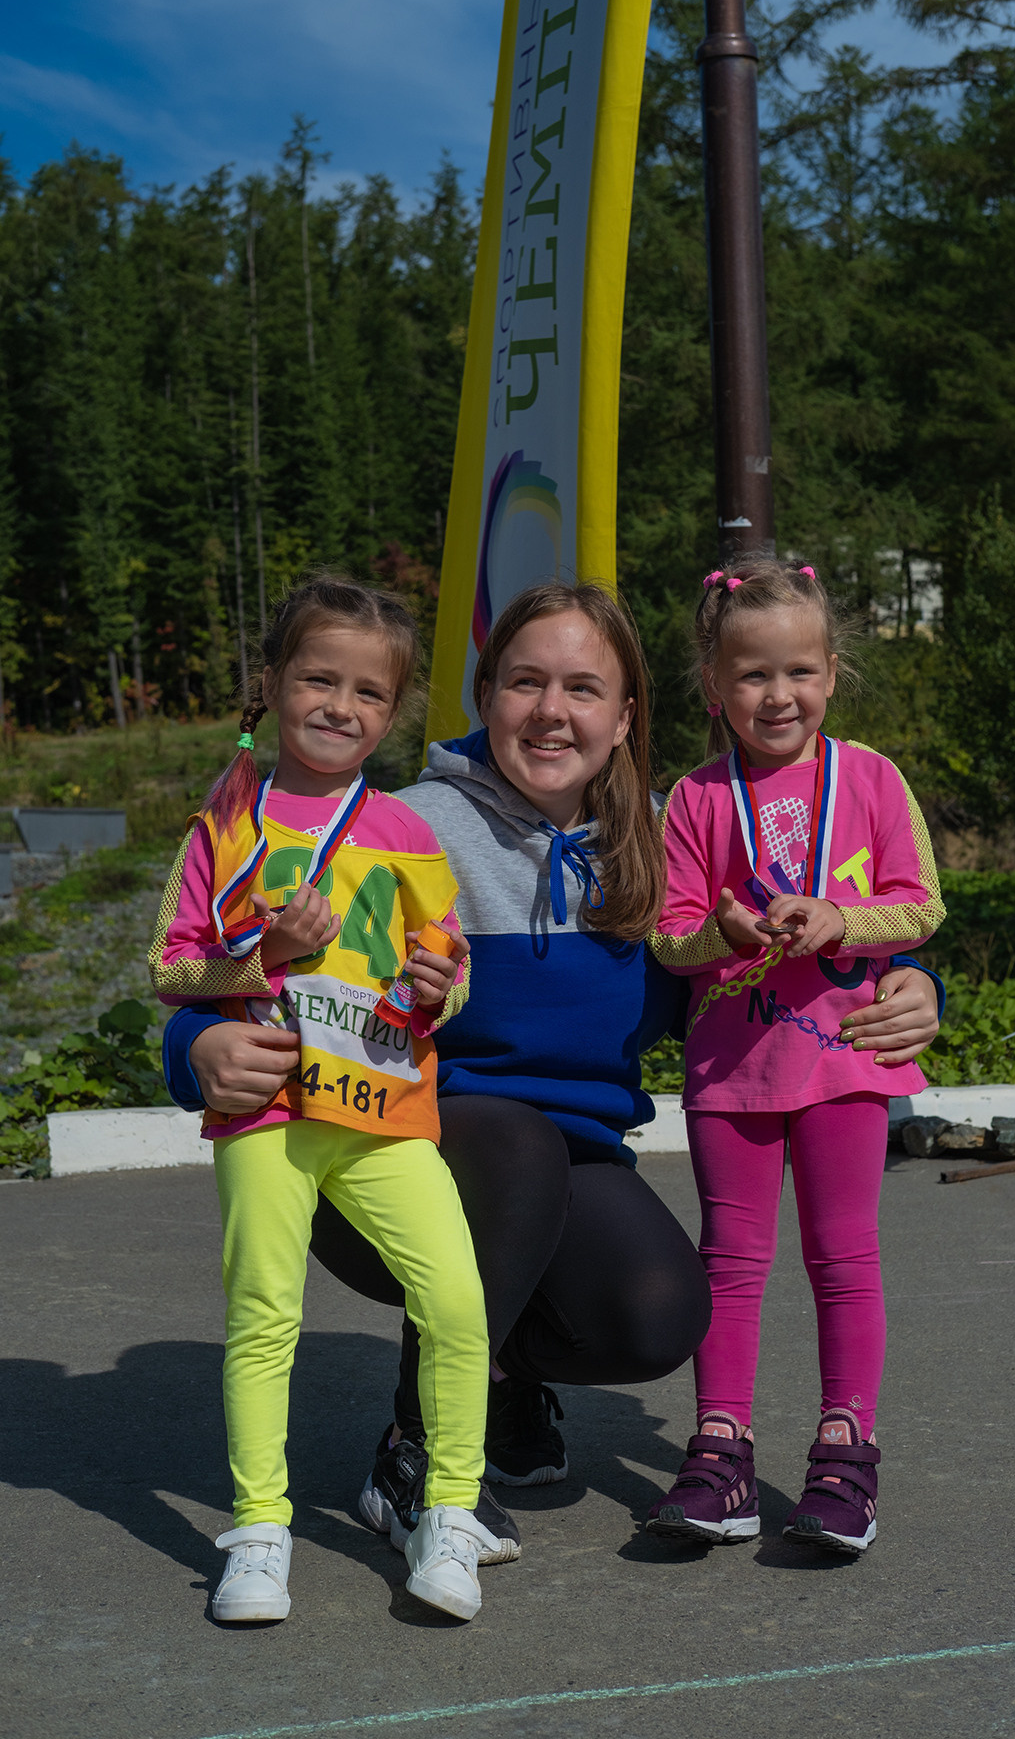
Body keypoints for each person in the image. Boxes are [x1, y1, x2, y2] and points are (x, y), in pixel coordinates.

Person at [161, 580, 944, 1561]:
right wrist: (192, 1049)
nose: (551, 710)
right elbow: (235, 969)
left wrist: (914, 983)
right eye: (525, 681)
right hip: (387, 1159)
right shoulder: (402, 827)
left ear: (624, 718)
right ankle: (411, 1455)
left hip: (567, 1173)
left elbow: (797, 935)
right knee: (516, 1143)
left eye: (583, 688)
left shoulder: (673, 836)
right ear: (486, 695)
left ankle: (495, 1373)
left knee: (663, 1313)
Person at [148, 577, 497, 1625]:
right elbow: (173, 966)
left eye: (368, 693)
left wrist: (441, 986)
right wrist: (265, 953)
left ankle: (448, 1514)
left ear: (393, 713)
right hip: (269, 1111)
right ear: (270, 684)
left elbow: (448, 961)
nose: (341, 707)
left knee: (459, 1305)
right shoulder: (225, 821)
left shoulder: (406, 829)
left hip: (385, 1112)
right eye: (318, 679)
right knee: (264, 1316)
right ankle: (258, 1530)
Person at [645, 558, 945, 1556]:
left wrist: (841, 919)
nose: (781, 695)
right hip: (731, 1068)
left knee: (843, 1258)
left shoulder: (870, 779)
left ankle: (844, 1452)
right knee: (727, 1264)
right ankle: (722, 1454)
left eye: (801, 672)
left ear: (832, 673)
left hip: (845, 1058)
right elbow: (669, 933)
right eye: (755, 676)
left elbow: (921, 903)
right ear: (714, 687)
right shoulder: (692, 798)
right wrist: (723, 937)